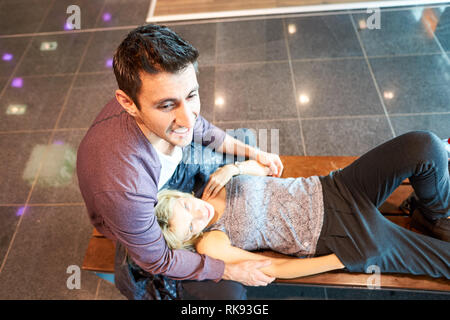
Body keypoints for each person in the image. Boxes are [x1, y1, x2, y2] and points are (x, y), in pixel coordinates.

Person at [76, 24, 284, 300]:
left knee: (243, 146)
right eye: (167, 105)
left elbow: (200, 129)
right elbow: (157, 259)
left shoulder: (157, 99)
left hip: (169, 181)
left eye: (191, 95)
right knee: (228, 296)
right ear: (127, 103)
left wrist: (252, 153)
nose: (187, 117)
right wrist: (229, 271)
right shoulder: (125, 188)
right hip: (149, 215)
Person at [155, 131, 450, 280]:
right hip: (338, 234)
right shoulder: (211, 242)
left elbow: (268, 168)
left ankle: (433, 217)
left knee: (425, 145)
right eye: (191, 228)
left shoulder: (211, 185)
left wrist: (234, 169)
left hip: (335, 186)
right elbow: (272, 267)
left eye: (186, 208)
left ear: (181, 196)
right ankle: (433, 222)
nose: (198, 215)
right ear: (189, 240)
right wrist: (343, 259)